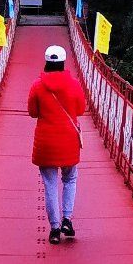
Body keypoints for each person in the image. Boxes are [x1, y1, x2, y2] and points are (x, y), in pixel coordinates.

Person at [28, 43, 86, 244]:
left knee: (50, 185)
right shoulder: (74, 84)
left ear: (46, 61)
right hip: (68, 140)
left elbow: (33, 112)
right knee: (70, 179)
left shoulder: (37, 85)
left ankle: (54, 229)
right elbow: (80, 110)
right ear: (63, 62)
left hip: (46, 143)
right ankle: (67, 219)